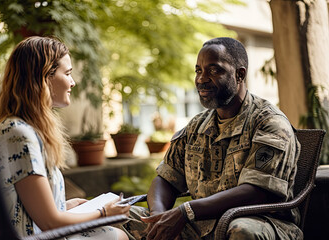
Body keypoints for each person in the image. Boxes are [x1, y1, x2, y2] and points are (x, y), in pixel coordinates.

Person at [123, 37, 303, 239]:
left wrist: (186, 211)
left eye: (214, 70)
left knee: (242, 230)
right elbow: (166, 178)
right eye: (198, 70)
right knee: (121, 217)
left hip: (262, 222)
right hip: (200, 225)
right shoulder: (196, 126)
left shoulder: (269, 123)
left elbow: (258, 191)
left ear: (239, 74)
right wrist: (157, 215)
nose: (201, 79)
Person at [0, 36, 130, 239]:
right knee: (117, 235)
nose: (72, 82)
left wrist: (65, 206)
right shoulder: (17, 134)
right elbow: (49, 222)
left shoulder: (24, 129)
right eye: (67, 73)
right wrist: (104, 213)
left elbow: (32, 209)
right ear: (45, 77)